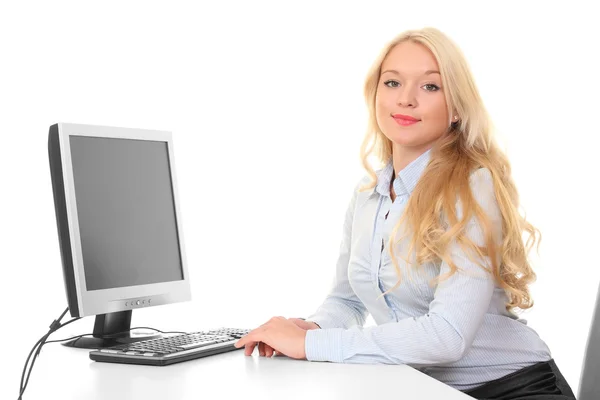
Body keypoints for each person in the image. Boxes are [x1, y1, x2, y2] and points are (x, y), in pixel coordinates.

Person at [234, 27, 576, 399]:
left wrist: (313, 347)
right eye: (392, 83)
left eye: (430, 87)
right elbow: (346, 301)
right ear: (375, 95)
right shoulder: (368, 196)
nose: (406, 100)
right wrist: (306, 330)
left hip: (513, 388)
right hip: (424, 389)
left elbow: (448, 337)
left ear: (457, 108)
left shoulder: (472, 188)